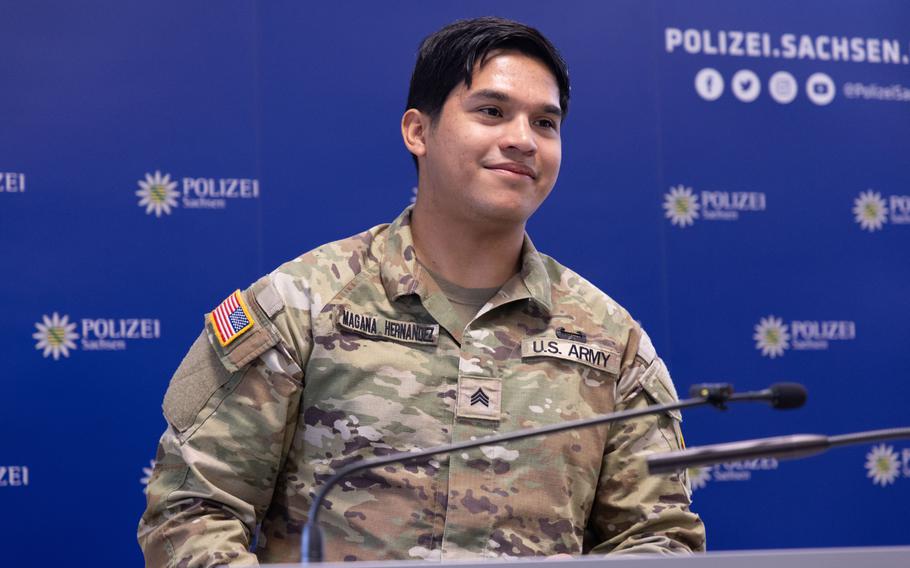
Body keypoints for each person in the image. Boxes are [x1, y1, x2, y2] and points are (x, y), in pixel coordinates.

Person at [139, 16, 705, 566]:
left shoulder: (611, 339)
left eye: (545, 124)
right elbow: (192, 511)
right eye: (492, 111)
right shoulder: (302, 304)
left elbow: (658, 539)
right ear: (418, 131)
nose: (522, 141)